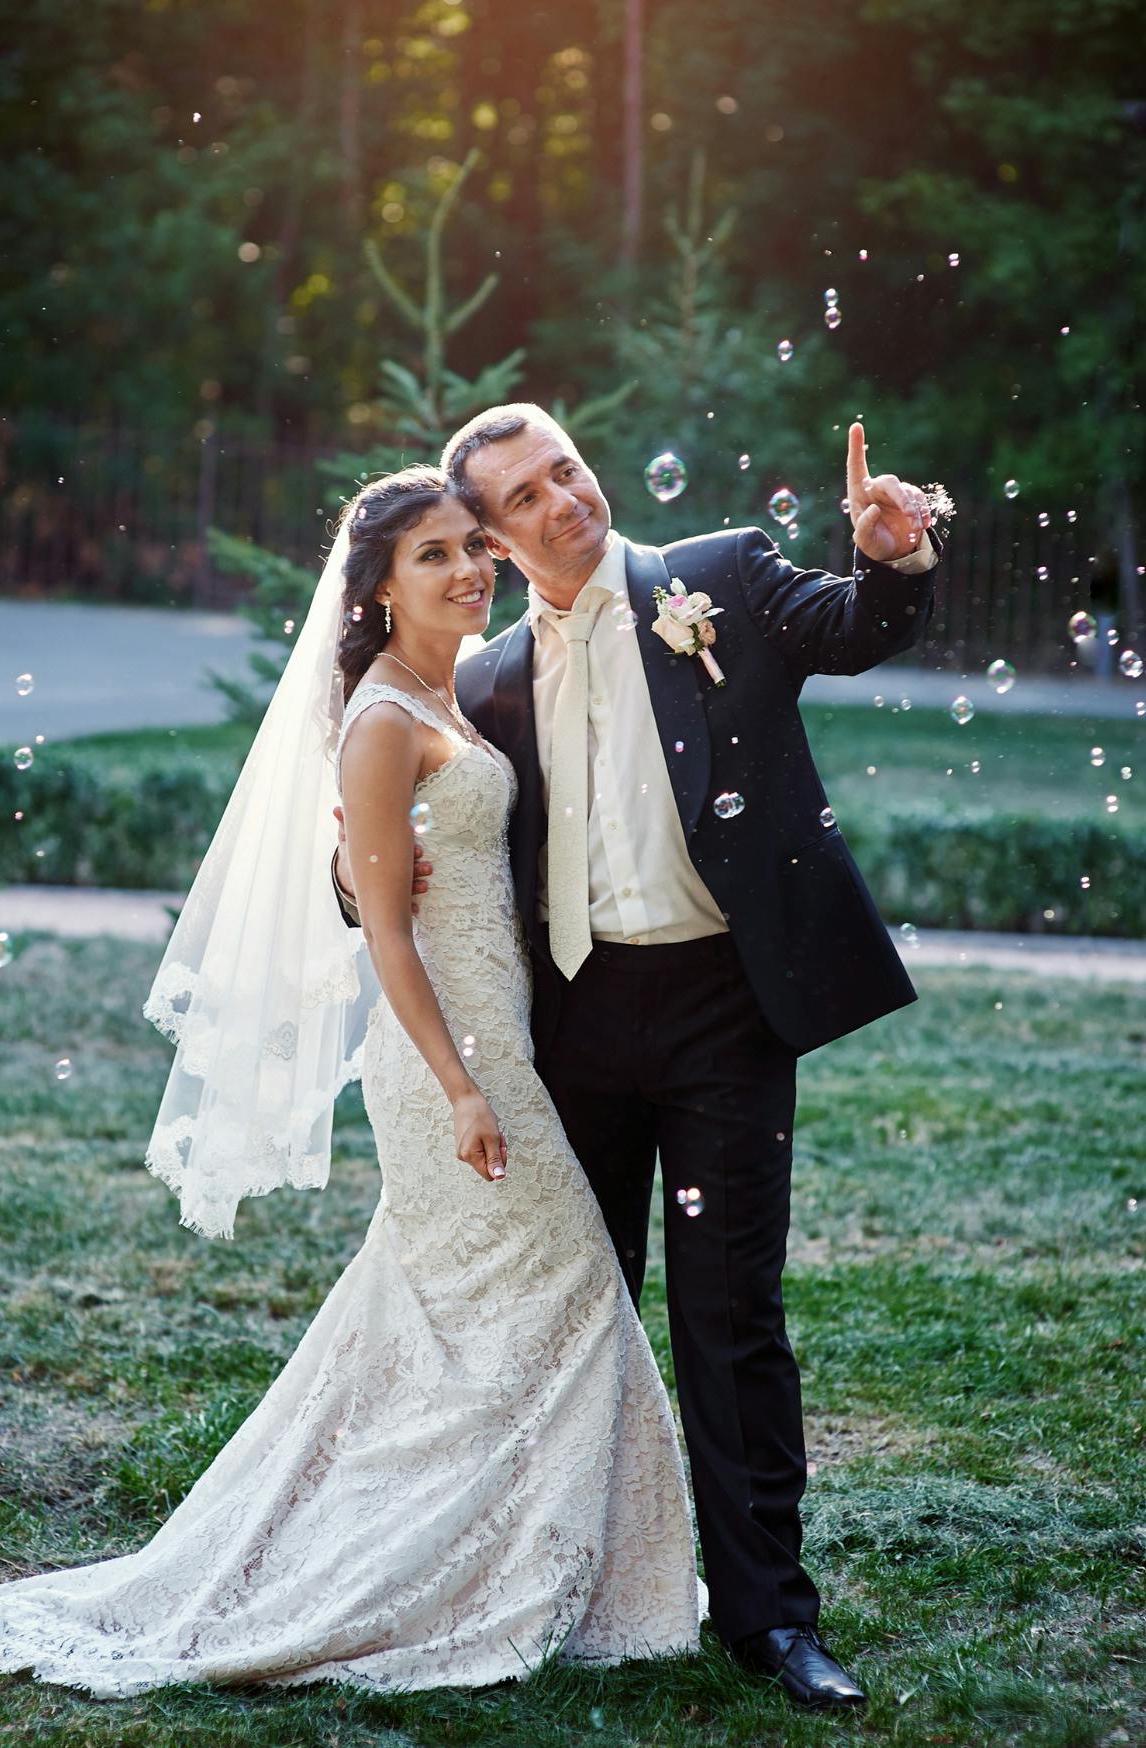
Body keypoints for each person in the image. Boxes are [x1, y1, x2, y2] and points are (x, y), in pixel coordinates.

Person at [0, 466, 704, 1699]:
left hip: (503, 1036)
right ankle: (473, 1571)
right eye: (433, 555)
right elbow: (387, 936)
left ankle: (537, 1559)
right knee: (569, 1287)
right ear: (379, 587)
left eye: (473, 546)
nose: (468, 569)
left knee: (482, 1315)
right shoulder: (383, 719)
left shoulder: (450, 691)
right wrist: (460, 1087)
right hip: (447, 1058)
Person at [334, 407, 942, 1711]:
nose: (563, 499)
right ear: (494, 539)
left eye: (566, 469)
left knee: (731, 1316)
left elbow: (856, 625)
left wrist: (891, 560)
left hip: (727, 1008)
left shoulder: (717, 579)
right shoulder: (489, 679)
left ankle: (769, 1618)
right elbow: (424, 843)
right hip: (573, 1023)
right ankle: (566, 1580)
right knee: (573, 1313)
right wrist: (350, 871)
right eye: (524, 497)